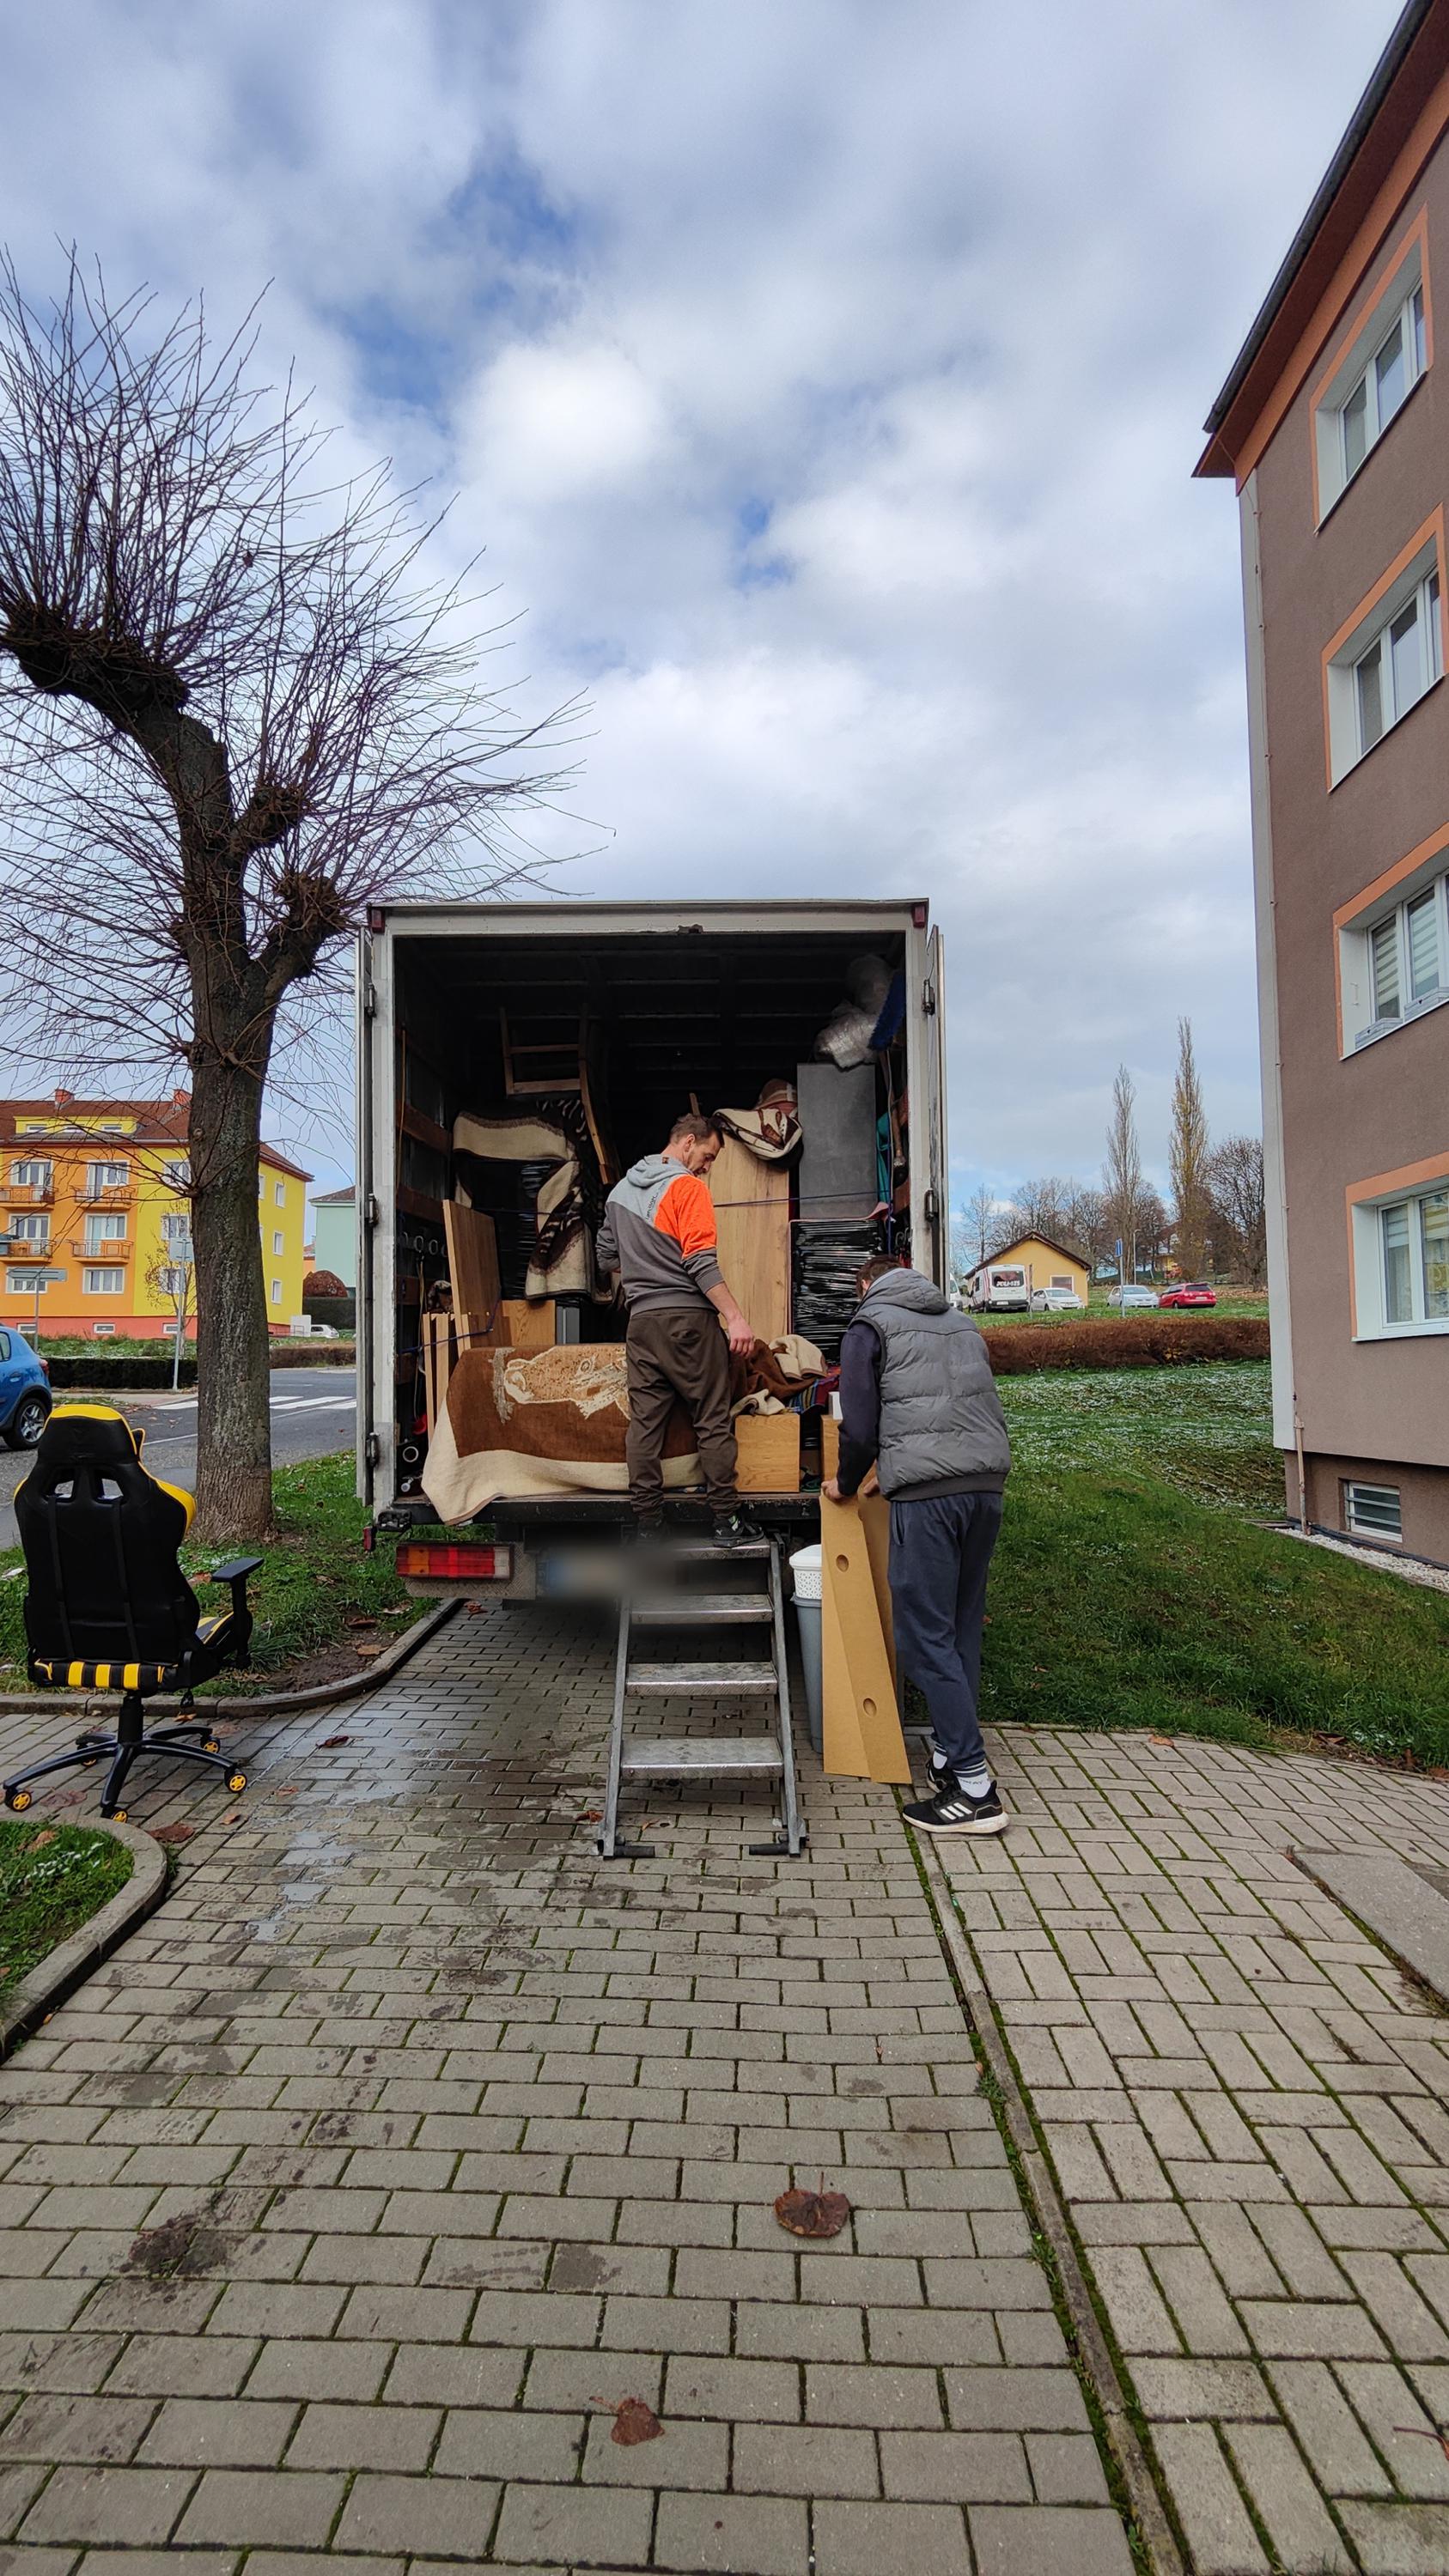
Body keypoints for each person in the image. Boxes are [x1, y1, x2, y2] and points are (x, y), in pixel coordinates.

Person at [824, 1254, 1012, 1834]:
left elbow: (858, 1425)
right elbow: (950, 1407)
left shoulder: (869, 1324)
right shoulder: (958, 1320)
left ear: (865, 1283)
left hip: (928, 1500)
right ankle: (948, 1757)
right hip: (984, 1488)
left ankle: (975, 1790)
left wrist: (846, 1482)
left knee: (920, 1636)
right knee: (958, 1629)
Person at [595, 1111, 758, 1544]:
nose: (707, 1167)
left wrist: (642, 1257)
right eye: (708, 1155)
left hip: (642, 1323)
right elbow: (699, 1261)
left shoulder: (619, 1194)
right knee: (712, 1418)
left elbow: (605, 1257)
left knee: (644, 1426)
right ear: (687, 1142)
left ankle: (648, 1524)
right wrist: (736, 1317)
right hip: (688, 1321)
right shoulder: (688, 1188)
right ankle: (727, 1520)